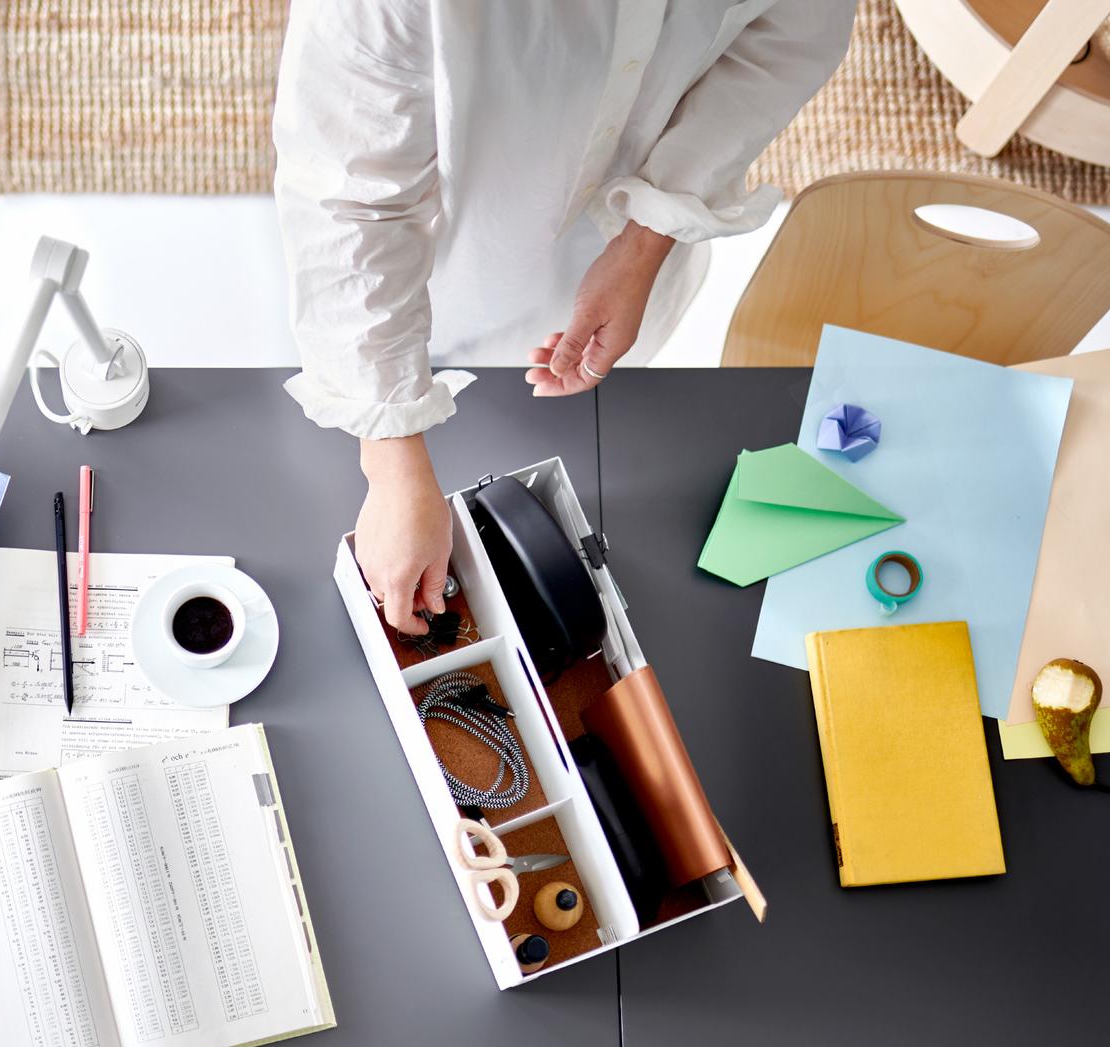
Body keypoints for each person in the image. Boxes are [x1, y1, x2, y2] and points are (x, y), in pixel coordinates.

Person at [273, 1, 855, 635]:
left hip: (632, 275)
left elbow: (786, 43)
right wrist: (391, 465)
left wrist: (644, 244)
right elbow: (349, 199)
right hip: (447, 269)